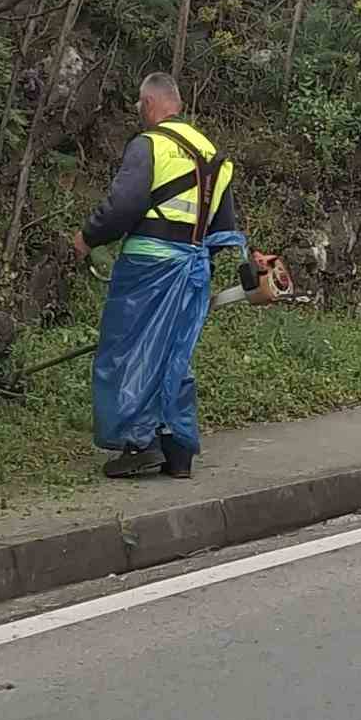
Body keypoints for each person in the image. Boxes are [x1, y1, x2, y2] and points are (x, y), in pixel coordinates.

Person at [72, 72, 242, 480]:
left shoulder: (150, 145)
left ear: (149, 104)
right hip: (192, 271)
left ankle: (139, 442)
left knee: (129, 350)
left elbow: (123, 205)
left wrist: (87, 237)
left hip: (147, 267)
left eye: (139, 105)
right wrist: (197, 261)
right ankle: (177, 449)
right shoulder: (214, 155)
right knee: (174, 354)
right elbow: (225, 226)